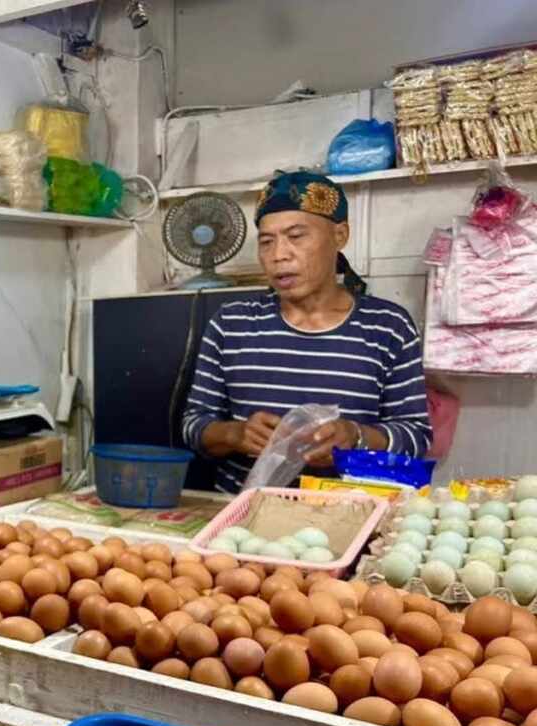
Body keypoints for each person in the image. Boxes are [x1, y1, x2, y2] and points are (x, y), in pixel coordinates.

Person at [182, 170, 433, 493]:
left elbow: (416, 436)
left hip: (350, 512)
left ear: (340, 235)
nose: (279, 255)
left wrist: (355, 436)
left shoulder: (388, 327)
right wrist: (236, 434)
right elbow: (193, 426)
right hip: (242, 518)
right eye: (267, 242)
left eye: (296, 236)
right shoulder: (231, 324)